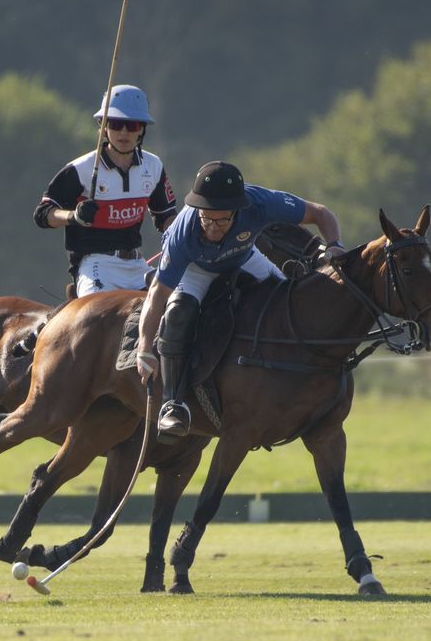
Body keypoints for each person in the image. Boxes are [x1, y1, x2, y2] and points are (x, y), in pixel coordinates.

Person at [135, 161, 346, 440]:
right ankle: (173, 404)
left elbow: (320, 213)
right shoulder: (182, 235)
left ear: (238, 210)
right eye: (207, 219)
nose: (213, 227)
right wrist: (144, 347)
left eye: (222, 220)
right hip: (195, 269)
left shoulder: (259, 203)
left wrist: (334, 245)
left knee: (287, 303)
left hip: (243, 256)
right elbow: (157, 295)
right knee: (179, 313)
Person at [33, 85, 177, 296]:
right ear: (103, 125)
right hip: (95, 266)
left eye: (132, 125)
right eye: (116, 124)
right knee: (97, 320)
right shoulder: (80, 169)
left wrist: (187, 234)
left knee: (181, 306)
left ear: (142, 129)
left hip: (137, 266)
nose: (124, 132)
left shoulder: (153, 166)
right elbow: (43, 214)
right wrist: (74, 216)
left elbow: (166, 217)